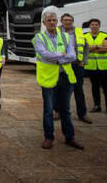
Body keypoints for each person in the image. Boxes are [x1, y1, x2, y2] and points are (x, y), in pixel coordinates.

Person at [34, 10, 84, 150]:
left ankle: (70, 137)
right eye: (49, 20)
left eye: (54, 20)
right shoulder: (39, 38)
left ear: (57, 22)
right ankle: (48, 138)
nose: (52, 23)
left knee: (66, 109)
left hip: (65, 77)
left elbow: (73, 55)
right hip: (49, 78)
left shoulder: (66, 37)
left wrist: (57, 58)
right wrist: (61, 56)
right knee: (49, 109)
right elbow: (44, 55)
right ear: (44, 23)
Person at [57, 13, 92, 124]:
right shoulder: (55, 32)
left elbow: (86, 47)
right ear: (61, 21)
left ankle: (82, 114)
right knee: (60, 90)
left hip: (77, 65)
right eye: (65, 20)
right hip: (63, 65)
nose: (68, 22)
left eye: (70, 20)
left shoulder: (78, 32)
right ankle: (57, 112)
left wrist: (84, 61)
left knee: (78, 90)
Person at [84, 18, 107, 116]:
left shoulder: (105, 35)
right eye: (92, 24)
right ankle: (97, 105)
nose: (94, 26)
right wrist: (98, 47)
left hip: (106, 67)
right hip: (92, 67)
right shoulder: (85, 36)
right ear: (89, 26)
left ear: (99, 26)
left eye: (96, 24)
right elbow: (84, 48)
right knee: (95, 87)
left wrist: (93, 47)